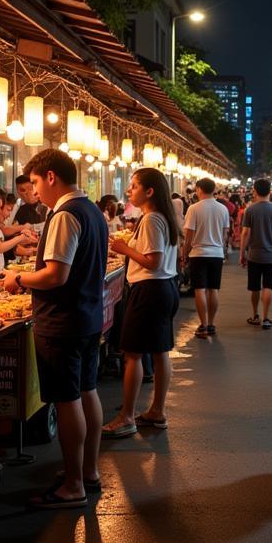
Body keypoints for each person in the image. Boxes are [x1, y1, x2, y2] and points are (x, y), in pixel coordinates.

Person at [4, 149, 107, 507]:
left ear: (50, 177)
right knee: (87, 391)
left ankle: (74, 484)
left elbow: (55, 274)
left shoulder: (65, 215)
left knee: (67, 400)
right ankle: (89, 471)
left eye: (34, 182)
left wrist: (17, 277)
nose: (33, 191)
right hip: (88, 316)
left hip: (63, 320)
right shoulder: (92, 209)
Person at [104, 168, 180, 436]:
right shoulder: (163, 218)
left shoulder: (151, 220)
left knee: (133, 354)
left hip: (149, 289)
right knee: (160, 352)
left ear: (150, 191)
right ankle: (156, 411)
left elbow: (153, 261)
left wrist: (124, 249)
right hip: (164, 288)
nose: (129, 190)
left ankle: (126, 416)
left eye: (134, 186)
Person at [182, 177, 232, 338]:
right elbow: (225, 234)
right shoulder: (223, 209)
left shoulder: (194, 209)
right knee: (213, 289)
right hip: (216, 253)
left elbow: (188, 235)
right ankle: (211, 324)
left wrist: (184, 254)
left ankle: (202, 324)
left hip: (198, 254)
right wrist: (222, 250)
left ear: (199, 190)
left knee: (200, 289)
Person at [240, 177, 272, 330]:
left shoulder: (250, 210)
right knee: (267, 286)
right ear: (270, 192)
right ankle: (266, 318)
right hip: (271, 255)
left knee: (254, 288)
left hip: (254, 255)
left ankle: (255, 315)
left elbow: (245, 233)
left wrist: (242, 252)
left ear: (254, 191)